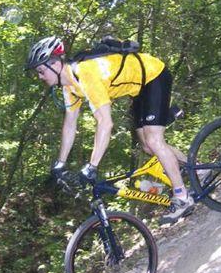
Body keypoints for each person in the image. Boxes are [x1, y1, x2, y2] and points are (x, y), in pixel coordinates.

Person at [26, 36, 194, 223]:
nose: (40, 77)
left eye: (41, 71)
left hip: (154, 75)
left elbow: (105, 123)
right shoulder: (69, 86)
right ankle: (197, 170)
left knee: (155, 140)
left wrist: (92, 166)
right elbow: (70, 124)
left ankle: (182, 198)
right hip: (139, 88)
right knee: (148, 146)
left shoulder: (85, 74)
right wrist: (60, 163)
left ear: (55, 64)